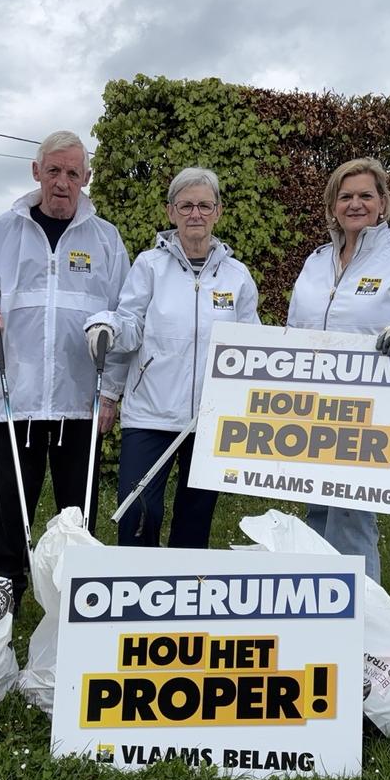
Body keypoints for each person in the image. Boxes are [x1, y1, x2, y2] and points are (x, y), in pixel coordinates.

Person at [0, 130, 128, 613]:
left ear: (86, 179)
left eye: (73, 173)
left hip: (80, 401)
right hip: (18, 399)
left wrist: (110, 393)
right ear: (36, 172)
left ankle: (78, 601)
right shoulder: (0, 234)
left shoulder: (106, 240)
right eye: (54, 171)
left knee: (79, 514)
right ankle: (3, 602)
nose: (62, 182)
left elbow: (124, 318)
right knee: (12, 512)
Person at [85, 167, 259, 548]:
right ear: (170, 213)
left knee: (196, 515)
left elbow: (252, 345)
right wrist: (110, 343)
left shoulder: (237, 276)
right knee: (138, 509)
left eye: (203, 205)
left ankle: (182, 594)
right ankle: (134, 586)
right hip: (151, 413)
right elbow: (130, 326)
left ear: (218, 212)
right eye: (185, 206)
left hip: (212, 417)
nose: (195, 214)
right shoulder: (149, 266)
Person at [287, 158, 390, 582]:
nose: (355, 204)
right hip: (311, 405)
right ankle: (317, 607)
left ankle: (363, 625)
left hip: (368, 411)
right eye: (346, 195)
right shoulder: (317, 260)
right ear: (333, 205)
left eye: (365, 195)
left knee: (351, 516)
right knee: (315, 506)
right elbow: (294, 327)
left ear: (383, 203)